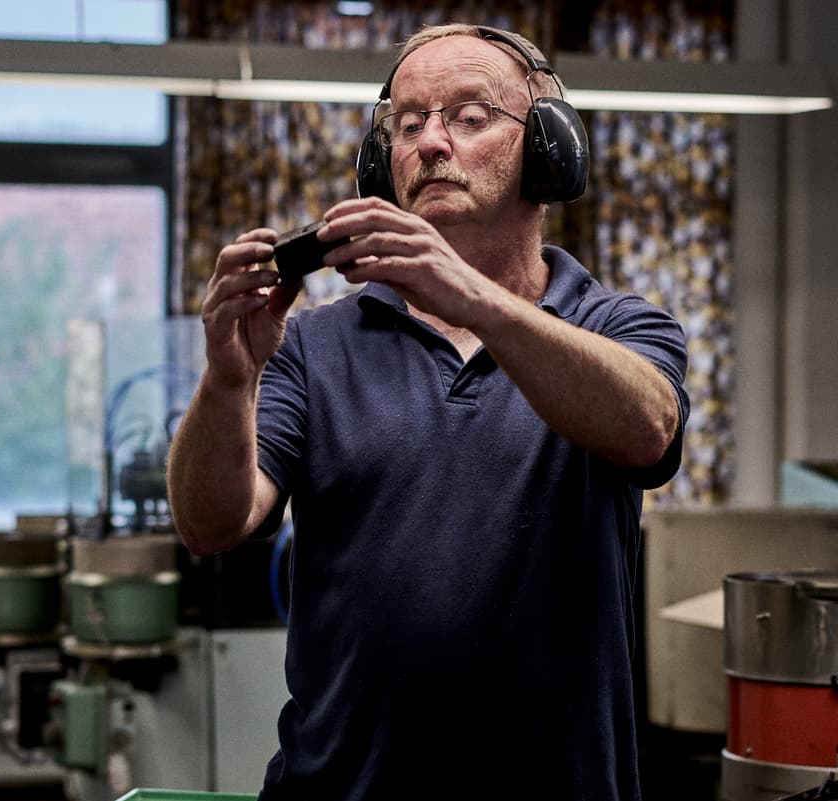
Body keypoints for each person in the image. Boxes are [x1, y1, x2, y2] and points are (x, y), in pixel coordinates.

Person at [167, 22, 689, 801]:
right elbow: (212, 521)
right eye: (408, 124)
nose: (432, 143)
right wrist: (226, 379)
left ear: (547, 150)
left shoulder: (618, 325)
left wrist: (474, 298)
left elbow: (646, 428)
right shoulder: (312, 342)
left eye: (470, 117)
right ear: (383, 162)